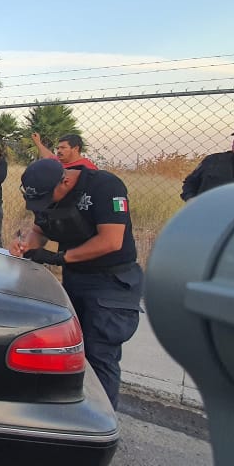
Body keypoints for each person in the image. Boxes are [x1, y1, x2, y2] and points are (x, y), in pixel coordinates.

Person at [10, 158, 141, 410]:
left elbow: (111, 240)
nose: (44, 206)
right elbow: (39, 230)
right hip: (75, 278)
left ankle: (101, 422)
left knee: (99, 354)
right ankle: (70, 415)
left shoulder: (105, 187)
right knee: (68, 351)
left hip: (110, 283)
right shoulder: (47, 191)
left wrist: (61, 258)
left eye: (47, 199)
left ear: (66, 181)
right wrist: (26, 247)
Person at [32, 132, 98, 169]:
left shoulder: (88, 168)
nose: (59, 151)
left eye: (63, 148)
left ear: (76, 148)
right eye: (58, 148)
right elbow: (48, 155)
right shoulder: (58, 160)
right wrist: (38, 142)